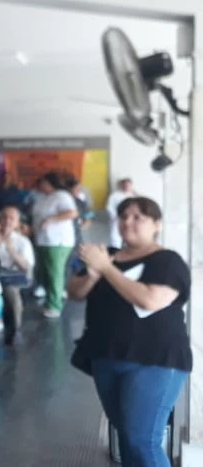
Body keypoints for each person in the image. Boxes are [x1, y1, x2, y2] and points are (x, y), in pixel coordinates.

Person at [70, 197, 190, 467]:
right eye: (123, 216)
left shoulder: (167, 261)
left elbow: (150, 299)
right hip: (108, 356)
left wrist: (105, 269)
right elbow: (74, 293)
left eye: (138, 217)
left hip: (156, 360)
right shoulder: (105, 255)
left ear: (156, 224)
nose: (128, 222)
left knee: (142, 440)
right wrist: (92, 274)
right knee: (126, 438)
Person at [31, 173, 79, 319]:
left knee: (54, 273)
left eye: (43, 182)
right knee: (45, 273)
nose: (40, 185)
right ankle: (49, 301)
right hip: (42, 240)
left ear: (49, 183)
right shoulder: (43, 198)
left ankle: (55, 305)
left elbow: (72, 213)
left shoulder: (61, 196)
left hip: (57, 241)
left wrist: (51, 219)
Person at [0, 207, 35, 345]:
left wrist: (12, 252)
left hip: (12, 277)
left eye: (11, 218)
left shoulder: (23, 241)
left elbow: (27, 267)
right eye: (4, 217)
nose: (7, 221)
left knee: (10, 291)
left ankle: (16, 329)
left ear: (17, 223)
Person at [106, 178, 135, 249]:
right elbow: (109, 207)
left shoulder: (134, 195)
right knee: (115, 237)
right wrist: (114, 216)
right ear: (122, 185)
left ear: (131, 185)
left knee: (130, 235)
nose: (126, 187)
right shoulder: (115, 195)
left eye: (128, 185)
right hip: (117, 219)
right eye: (125, 185)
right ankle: (115, 251)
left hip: (131, 219)